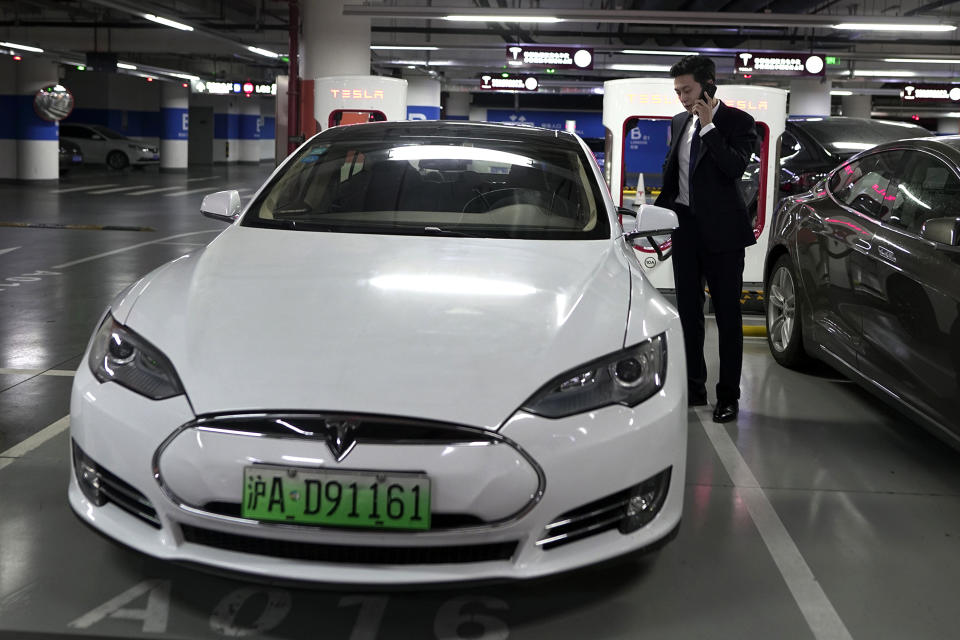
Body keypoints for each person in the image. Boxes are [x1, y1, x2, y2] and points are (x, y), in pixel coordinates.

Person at [654, 55, 757, 423]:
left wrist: (710, 127)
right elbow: (672, 174)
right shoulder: (679, 122)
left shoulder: (739, 122)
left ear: (707, 86)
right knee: (688, 315)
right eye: (678, 91)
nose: (682, 98)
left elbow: (733, 168)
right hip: (685, 230)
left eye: (688, 90)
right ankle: (693, 388)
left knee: (728, 317)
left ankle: (728, 396)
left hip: (724, 235)